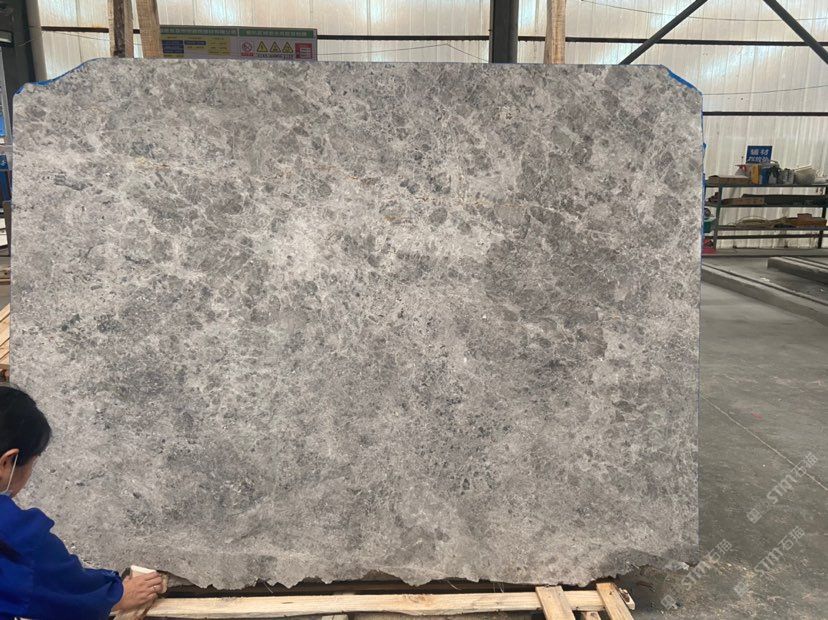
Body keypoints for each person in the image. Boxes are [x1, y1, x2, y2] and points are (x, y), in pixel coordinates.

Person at [0, 385, 163, 619]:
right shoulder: (15, 535)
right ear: (7, 462)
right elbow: (58, 586)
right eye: (32, 464)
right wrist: (116, 594)